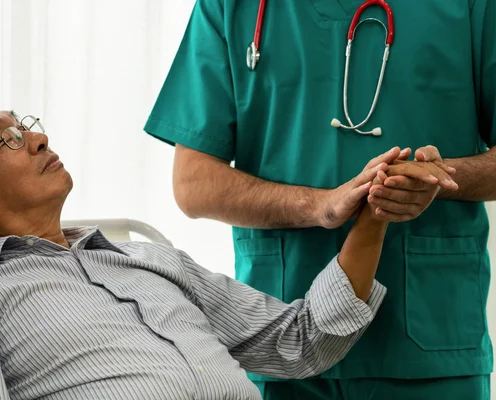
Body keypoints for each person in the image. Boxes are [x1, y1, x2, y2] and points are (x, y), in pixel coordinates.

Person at [0, 96, 408, 400]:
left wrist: (375, 210)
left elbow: (301, 342)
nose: (38, 139)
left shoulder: (146, 258)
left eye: (22, 126)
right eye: (2, 139)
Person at [144, 1, 495, 399]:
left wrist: (439, 176)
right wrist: (319, 205)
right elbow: (193, 184)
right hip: (280, 340)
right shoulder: (230, 8)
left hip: (428, 342)